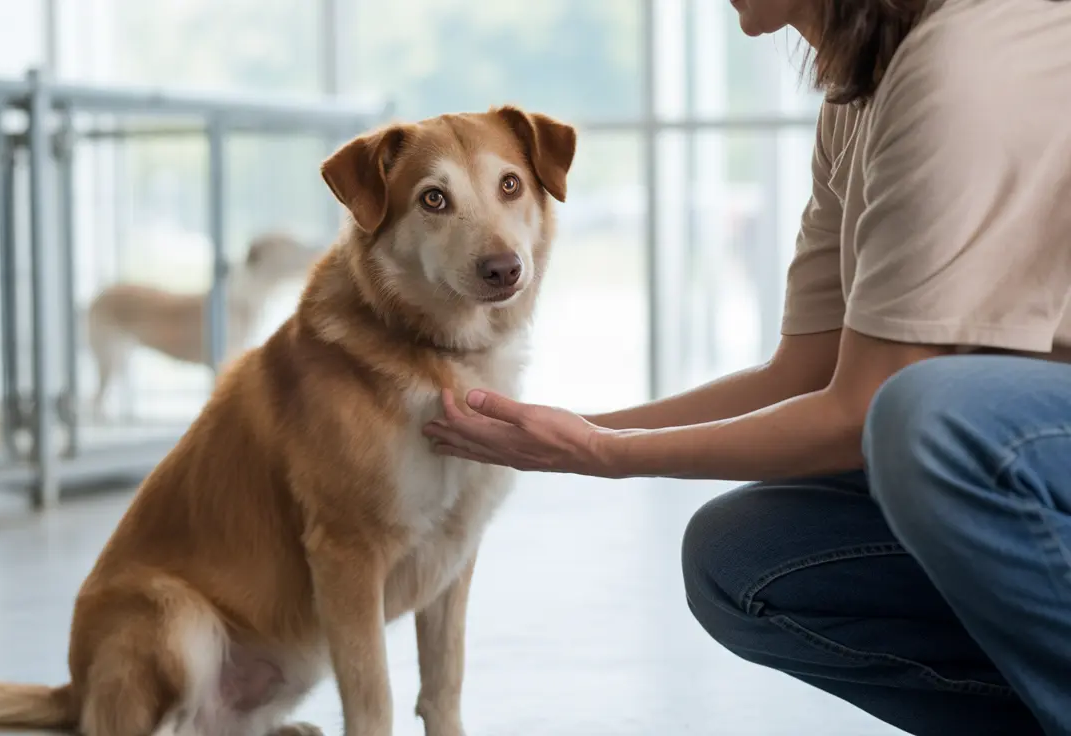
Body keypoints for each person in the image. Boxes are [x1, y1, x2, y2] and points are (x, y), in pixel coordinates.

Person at [421, 0, 1071, 733]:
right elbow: (802, 375)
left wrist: (603, 454)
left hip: (1038, 438)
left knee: (933, 419)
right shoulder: (859, 97)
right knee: (742, 556)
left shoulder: (962, 60)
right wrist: (571, 431)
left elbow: (865, 407)